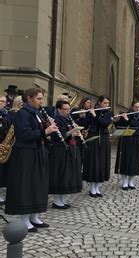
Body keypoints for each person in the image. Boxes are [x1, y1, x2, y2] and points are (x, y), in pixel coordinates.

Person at [5, 87, 59, 232]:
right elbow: (24, 134)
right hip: (25, 154)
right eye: (39, 99)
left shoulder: (37, 113)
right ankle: (24, 220)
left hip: (37, 152)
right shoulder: (22, 113)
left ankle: (34, 217)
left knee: (38, 185)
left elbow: (40, 133)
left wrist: (48, 132)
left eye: (42, 99)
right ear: (29, 98)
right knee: (26, 186)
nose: (41, 102)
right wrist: (44, 131)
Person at [48, 100, 82, 209]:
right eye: (65, 109)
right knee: (60, 174)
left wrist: (76, 132)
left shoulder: (68, 119)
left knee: (66, 175)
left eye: (68, 109)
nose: (68, 111)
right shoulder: (56, 120)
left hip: (69, 148)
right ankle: (57, 201)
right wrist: (71, 134)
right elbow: (56, 136)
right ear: (59, 109)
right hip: (59, 150)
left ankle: (62, 199)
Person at [114, 101, 139, 190]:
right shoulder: (127, 114)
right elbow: (119, 127)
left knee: (135, 160)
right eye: (136, 107)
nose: (138, 109)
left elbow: (137, 125)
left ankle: (131, 181)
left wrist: (127, 119)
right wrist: (117, 120)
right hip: (126, 139)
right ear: (132, 107)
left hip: (136, 139)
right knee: (125, 159)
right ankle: (124, 182)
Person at [82, 95, 112, 197]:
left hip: (103, 139)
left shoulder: (108, 112)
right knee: (93, 162)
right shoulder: (92, 110)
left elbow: (105, 123)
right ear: (99, 102)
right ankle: (92, 188)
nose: (106, 105)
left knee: (102, 162)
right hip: (93, 138)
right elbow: (85, 125)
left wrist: (95, 116)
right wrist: (84, 116)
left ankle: (97, 188)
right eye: (105, 103)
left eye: (107, 103)